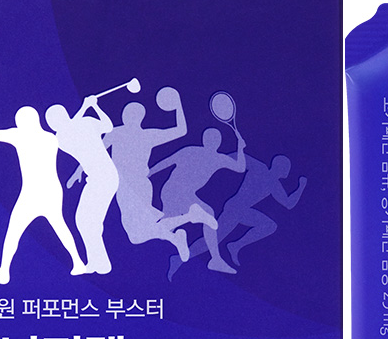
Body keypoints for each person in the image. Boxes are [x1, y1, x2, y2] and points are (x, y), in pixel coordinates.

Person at [0, 106, 86, 283]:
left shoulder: (19, 135)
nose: (17, 123)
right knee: (59, 226)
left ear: (23, 122)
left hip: (33, 192)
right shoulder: (50, 138)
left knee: (14, 230)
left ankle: (4, 272)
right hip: (51, 190)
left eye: (19, 120)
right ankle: (78, 262)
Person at [167, 153, 305, 280]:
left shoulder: (274, 184)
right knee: (214, 240)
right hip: (235, 208)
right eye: (286, 168)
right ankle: (179, 258)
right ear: (280, 167)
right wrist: (221, 161)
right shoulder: (261, 169)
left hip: (243, 210)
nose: (287, 172)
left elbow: (289, 204)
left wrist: (301, 187)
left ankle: (235, 245)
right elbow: (240, 157)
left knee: (269, 225)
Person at [98, 88, 198, 261]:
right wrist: (177, 106)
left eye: (128, 113)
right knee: (138, 234)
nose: (125, 116)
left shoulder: (117, 132)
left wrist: (80, 171)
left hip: (128, 186)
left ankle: (185, 224)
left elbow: (96, 153)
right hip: (140, 186)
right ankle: (182, 229)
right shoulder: (145, 134)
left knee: (137, 234)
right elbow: (181, 130)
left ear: (131, 117)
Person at [150, 127, 246, 274]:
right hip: (172, 192)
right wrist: (148, 174)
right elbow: (166, 162)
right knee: (167, 228)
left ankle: (215, 260)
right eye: (212, 139)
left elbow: (239, 168)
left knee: (203, 215)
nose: (214, 142)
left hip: (184, 194)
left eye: (215, 140)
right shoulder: (192, 151)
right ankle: (151, 251)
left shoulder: (216, 158)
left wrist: (240, 148)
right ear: (206, 140)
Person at [46, 96, 118, 275]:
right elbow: (71, 130)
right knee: (87, 222)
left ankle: (100, 263)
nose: (51, 125)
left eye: (52, 121)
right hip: (100, 178)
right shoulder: (61, 138)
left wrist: (94, 107)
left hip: (103, 178)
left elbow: (108, 127)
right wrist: (88, 106)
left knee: (85, 221)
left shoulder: (84, 123)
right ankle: (97, 262)